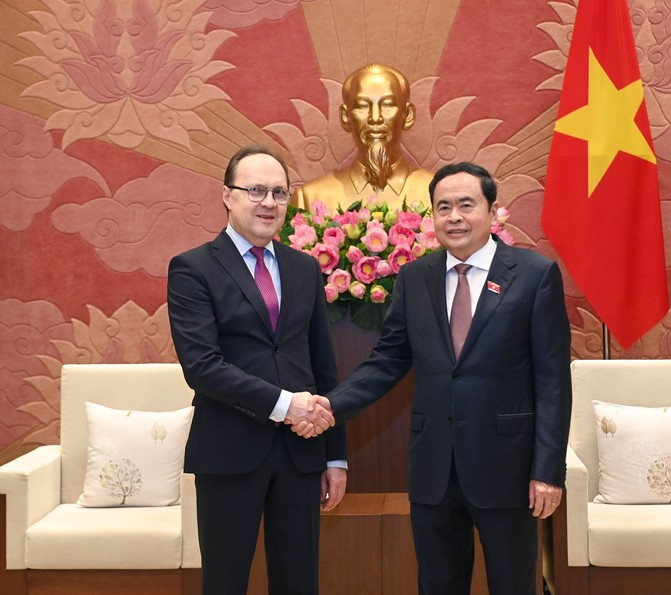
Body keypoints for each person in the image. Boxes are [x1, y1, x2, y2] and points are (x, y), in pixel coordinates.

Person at [295, 162, 571, 594]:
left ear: (491, 210)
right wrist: (331, 404)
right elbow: (388, 360)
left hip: (509, 469)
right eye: (443, 208)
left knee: (514, 584)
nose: (454, 217)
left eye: (466, 205)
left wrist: (548, 470)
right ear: (433, 217)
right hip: (434, 469)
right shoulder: (415, 276)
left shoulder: (534, 275)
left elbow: (553, 381)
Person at [167, 146, 347, 595]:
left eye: (280, 193)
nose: (269, 202)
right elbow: (202, 367)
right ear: (227, 196)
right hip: (229, 451)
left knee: (299, 580)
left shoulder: (304, 268)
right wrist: (285, 406)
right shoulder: (193, 268)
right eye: (256, 190)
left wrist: (335, 456)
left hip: (301, 455)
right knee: (226, 582)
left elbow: (324, 367)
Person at [294, 64, 433, 212]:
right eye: (362, 106)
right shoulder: (309, 198)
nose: (375, 118)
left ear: (408, 115)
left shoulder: (438, 195)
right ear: (345, 117)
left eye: (387, 105)